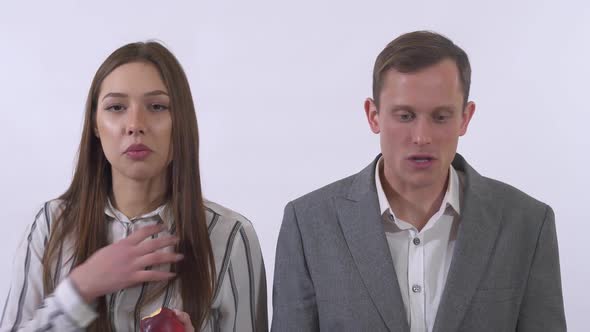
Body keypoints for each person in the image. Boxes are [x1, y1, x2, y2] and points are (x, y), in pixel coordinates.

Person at [272, 31, 566, 331]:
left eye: (440, 117)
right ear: (373, 115)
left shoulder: (527, 223)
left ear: (465, 117)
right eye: (405, 116)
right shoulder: (308, 224)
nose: (422, 137)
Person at [1, 41, 267, 332]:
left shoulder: (230, 237)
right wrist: (80, 288)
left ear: (181, 122)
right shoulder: (51, 225)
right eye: (116, 107)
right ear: (94, 125)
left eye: (157, 106)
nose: (135, 124)